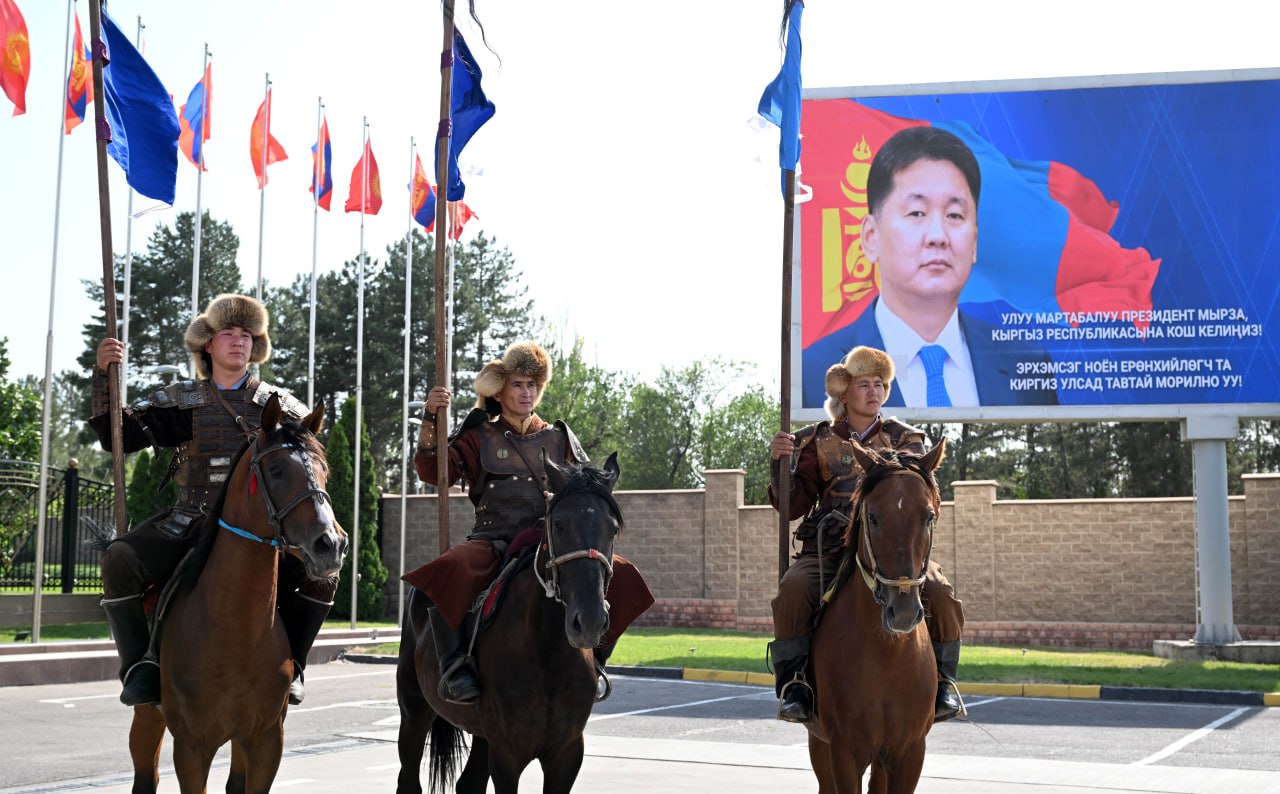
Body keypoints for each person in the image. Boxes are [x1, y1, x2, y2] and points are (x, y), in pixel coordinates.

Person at [90, 294, 336, 707]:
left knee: (325, 571)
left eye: (246, 335)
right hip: (191, 519)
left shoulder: (283, 407)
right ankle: (141, 667)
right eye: (228, 333)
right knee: (119, 558)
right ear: (208, 344)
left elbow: (307, 467)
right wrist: (103, 375)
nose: (238, 341)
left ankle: (294, 662)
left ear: (255, 347)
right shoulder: (180, 400)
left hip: (261, 528)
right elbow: (117, 437)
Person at [404, 341, 654, 704]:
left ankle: (595, 659)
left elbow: (584, 485)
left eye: (532, 385)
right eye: (518, 385)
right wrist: (431, 417)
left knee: (624, 575)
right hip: (492, 538)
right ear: (499, 391)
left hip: (550, 539)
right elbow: (431, 471)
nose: (526, 393)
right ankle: (456, 664)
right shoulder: (478, 435)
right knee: (449, 569)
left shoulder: (560, 437)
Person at [769, 345, 965, 723]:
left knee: (940, 592)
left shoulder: (906, 438)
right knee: (793, 590)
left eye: (879, 384)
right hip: (829, 547)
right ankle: (795, 684)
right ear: (844, 393)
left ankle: (944, 682)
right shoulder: (814, 440)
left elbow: (917, 494)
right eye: (864, 384)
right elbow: (792, 507)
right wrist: (780, 463)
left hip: (892, 546)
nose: (874, 391)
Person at [801, 125, 1058, 408]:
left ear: (974, 241)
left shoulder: (1025, 362)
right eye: (917, 213)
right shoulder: (815, 374)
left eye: (954, 215)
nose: (938, 236)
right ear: (871, 237)